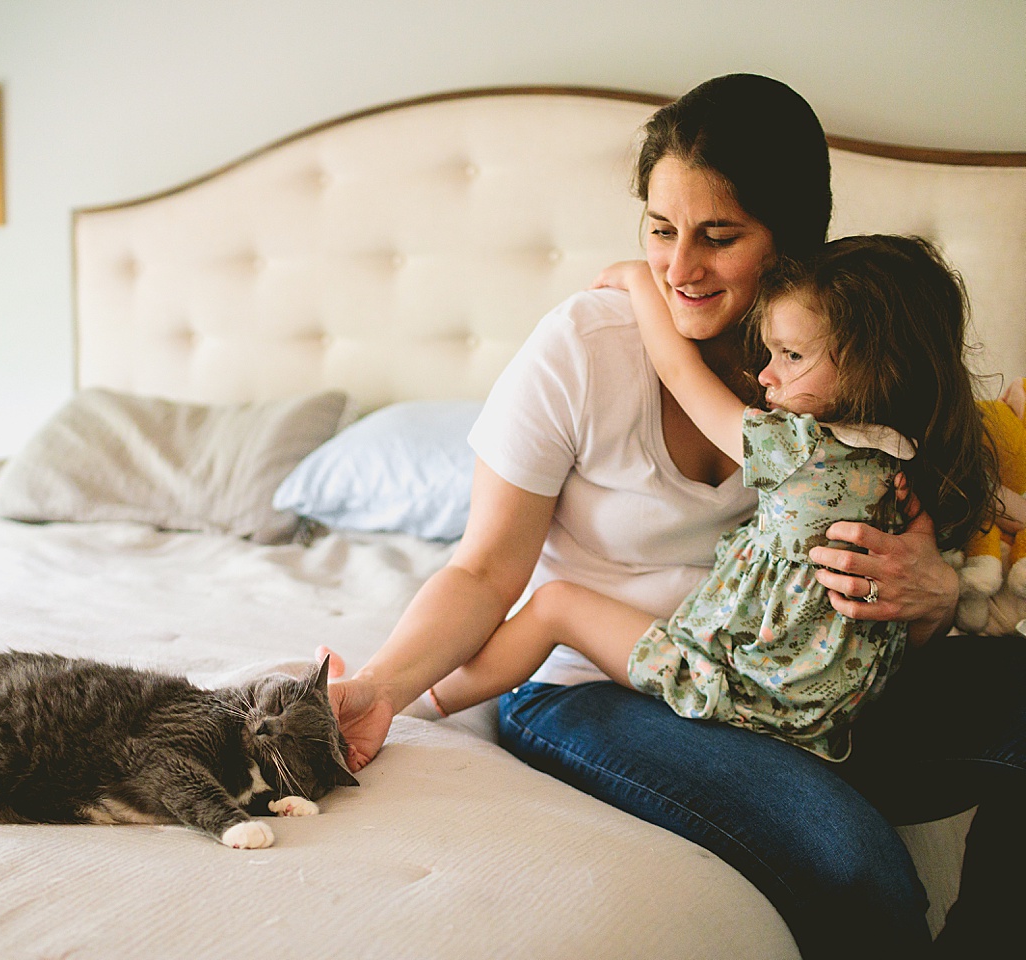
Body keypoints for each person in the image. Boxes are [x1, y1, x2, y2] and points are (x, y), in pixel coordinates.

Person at [322, 73, 1025, 959]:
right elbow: (484, 569)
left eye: (718, 236)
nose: (680, 269)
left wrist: (926, 601)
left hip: (790, 686)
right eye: (660, 231)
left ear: (793, 236)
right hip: (607, 687)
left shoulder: (848, 359)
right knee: (853, 863)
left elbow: (867, 616)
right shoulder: (584, 348)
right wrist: (383, 687)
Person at [425, 235, 995, 770]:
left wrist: (638, 280)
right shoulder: (903, 458)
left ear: (876, 366)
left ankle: (429, 702)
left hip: (738, 683)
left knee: (554, 607)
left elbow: (679, 372)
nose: (766, 375)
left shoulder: (797, 450)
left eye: (792, 356)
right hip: (828, 710)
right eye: (661, 233)